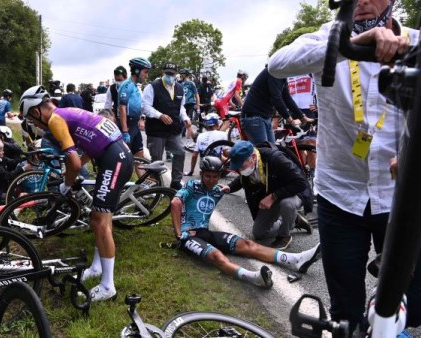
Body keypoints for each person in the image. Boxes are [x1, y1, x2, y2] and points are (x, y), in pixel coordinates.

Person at [268, 0, 421, 332]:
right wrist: (347, 45)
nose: (362, 2)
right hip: (339, 195)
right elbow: (277, 65)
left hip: (398, 196)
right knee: (344, 314)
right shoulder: (326, 37)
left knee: (412, 307)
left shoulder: (414, 42)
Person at [19, 85, 133, 302]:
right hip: (115, 155)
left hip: (114, 160)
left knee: (100, 221)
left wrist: (67, 184)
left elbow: (72, 162)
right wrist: (73, 171)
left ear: (36, 111)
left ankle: (108, 286)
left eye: (32, 121)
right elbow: (90, 147)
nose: (34, 125)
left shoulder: (54, 120)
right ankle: (98, 267)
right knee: (99, 219)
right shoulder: (65, 113)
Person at [172, 156, 321, 288]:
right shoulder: (192, 186)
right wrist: (179, 233)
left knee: (247, 244)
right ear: (201, 174)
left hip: (206, 233)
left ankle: (296, 259)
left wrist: (230, 187)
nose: (211, 180)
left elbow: (243, 180)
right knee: (216, 256)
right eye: (207, 176)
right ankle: (253, 277)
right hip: (189, 236)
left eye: (215, 177)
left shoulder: (218, 190)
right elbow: (175, 202)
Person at [227, 141, 313, 249]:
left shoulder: (275, 159)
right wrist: (229, 187)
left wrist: (274, 196)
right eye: (237, 168)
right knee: (259, 233)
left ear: (253, 157)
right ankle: (295, 221)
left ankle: (284, 236)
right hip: (274, 193)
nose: (240, 170)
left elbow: (301, 183)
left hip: (294, 191)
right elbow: (242, 178)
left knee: (287, 204)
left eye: (241, 166)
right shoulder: (249, 163)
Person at [142, 62, 192, 190]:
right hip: (156, 130)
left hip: (173, 129)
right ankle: (154, 185)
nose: (170, 76)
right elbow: (146, 106)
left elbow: (181, 108)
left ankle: (176, 181)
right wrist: (160, 115)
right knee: (156, 160)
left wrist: (185, 118)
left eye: (172, 74)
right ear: (162, 73)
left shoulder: (180, 88)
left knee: (180, 152)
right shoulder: (152, 87)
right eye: (167, 73)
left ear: (176, 75)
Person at [240, 66, 313, 145]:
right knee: (265, 152)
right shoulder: (273, 72)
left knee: (272, 150)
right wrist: (290, 120)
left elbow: (287, 98)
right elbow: (276, 98)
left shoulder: (282, 75)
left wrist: (302, 117)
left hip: (265, 116)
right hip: (253, 117)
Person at [118, 57, 151, 173]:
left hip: (134, 124)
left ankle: (143, 186)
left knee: (139, 157)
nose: (146, 75)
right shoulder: (127, 85)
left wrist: (141, 118)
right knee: (123, 160)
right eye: (145, 72)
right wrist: (125, 131)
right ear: (137, 71)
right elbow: (122, 108)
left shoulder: (135, 86)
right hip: (128, 124)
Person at [0, 138, 32, 205]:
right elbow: (7, 175)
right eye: (0, 150)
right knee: (14, 201)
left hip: (0, 188)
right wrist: (23, 169)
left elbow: (12, 162)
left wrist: (24, 158)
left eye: (2, 150)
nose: (3, 152)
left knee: (18, 194)